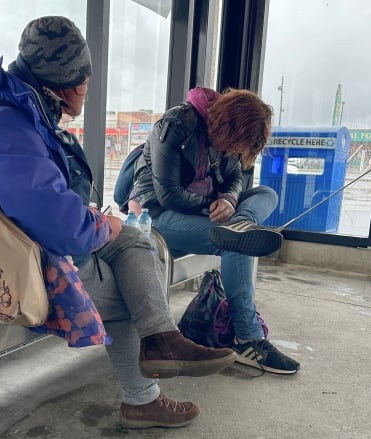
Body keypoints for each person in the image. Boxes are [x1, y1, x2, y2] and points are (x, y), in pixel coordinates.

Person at [0, 16, 236, 429]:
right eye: (88, 84)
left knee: (132, 244)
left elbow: (38, 203)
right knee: (133, 286)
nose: (87, 93)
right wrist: (97, 226)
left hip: (1, 235)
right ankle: (147, 385)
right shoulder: (4, 129)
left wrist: (99, 225)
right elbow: (62, 229)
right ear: (71, 83)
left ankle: (160, 344)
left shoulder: (4, 105)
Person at [127, 86, 301, 375]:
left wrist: (231, 200)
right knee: (236, 243)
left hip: (212, 213)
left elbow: (235, 177)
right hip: (158, 214)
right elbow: (168, 194)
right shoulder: (174, 126)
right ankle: (248, 338)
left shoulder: (226, 138)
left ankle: (240, 223)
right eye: (235, 145)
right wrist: (214, 204)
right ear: (226, 125)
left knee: (267, 193)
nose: (234, 152)